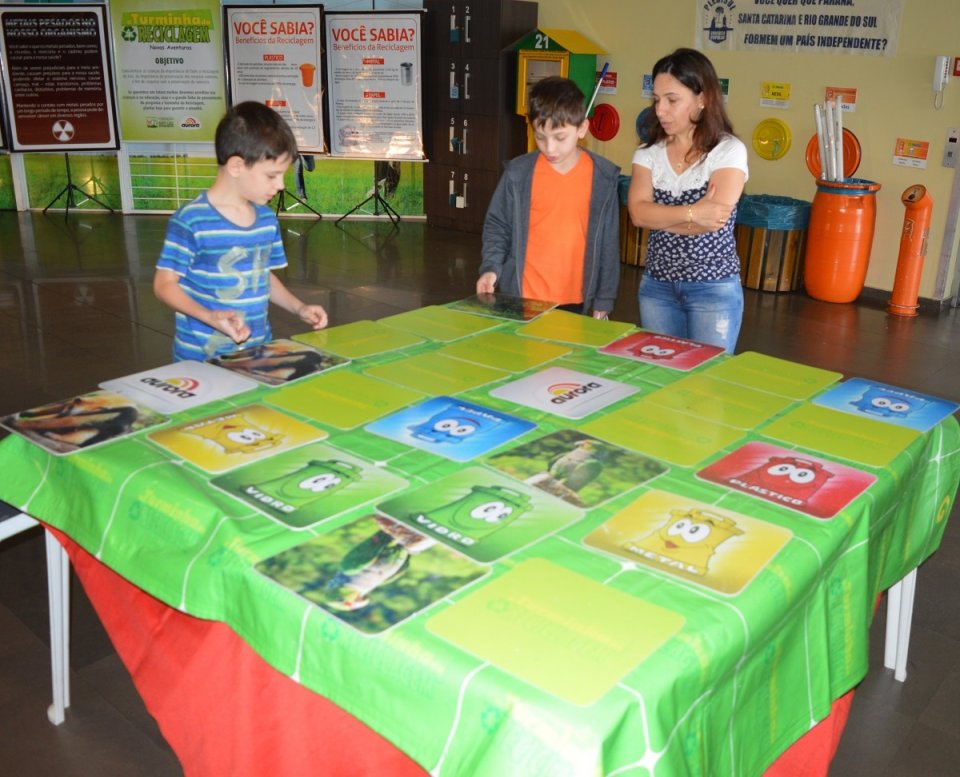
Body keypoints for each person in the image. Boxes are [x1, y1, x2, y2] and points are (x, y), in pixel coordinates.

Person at [154, 101, 328, 362]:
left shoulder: (266, 220)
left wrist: (298, 307)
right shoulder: (192, 221)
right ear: (236, 166)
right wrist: (208, 317)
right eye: (272, 176)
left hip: (256, 352)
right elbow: (164, 285)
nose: (280, 185)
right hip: (199, 359)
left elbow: (260, 275)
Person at [627, 48, 748, 353]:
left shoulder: (728, 151)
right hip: (657, 287)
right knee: (659, 380)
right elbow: (639, 215)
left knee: (706, 386)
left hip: (713, 288)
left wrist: (663, 215)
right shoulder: (647, 152)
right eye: (656, 100)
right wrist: (694, 212)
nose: (660, 111)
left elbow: (714, 221)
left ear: (703, 98)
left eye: (672, 100)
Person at [477, 76, 621, 319]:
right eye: (540, 137)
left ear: (582, 129)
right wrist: (491, 268)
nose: (550, 148)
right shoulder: (518, 174)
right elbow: (498, 226)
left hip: (577, 301)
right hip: (523, 297)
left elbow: (608, 243)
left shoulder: (603, 178)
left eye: (560, 137)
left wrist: (604, 299)